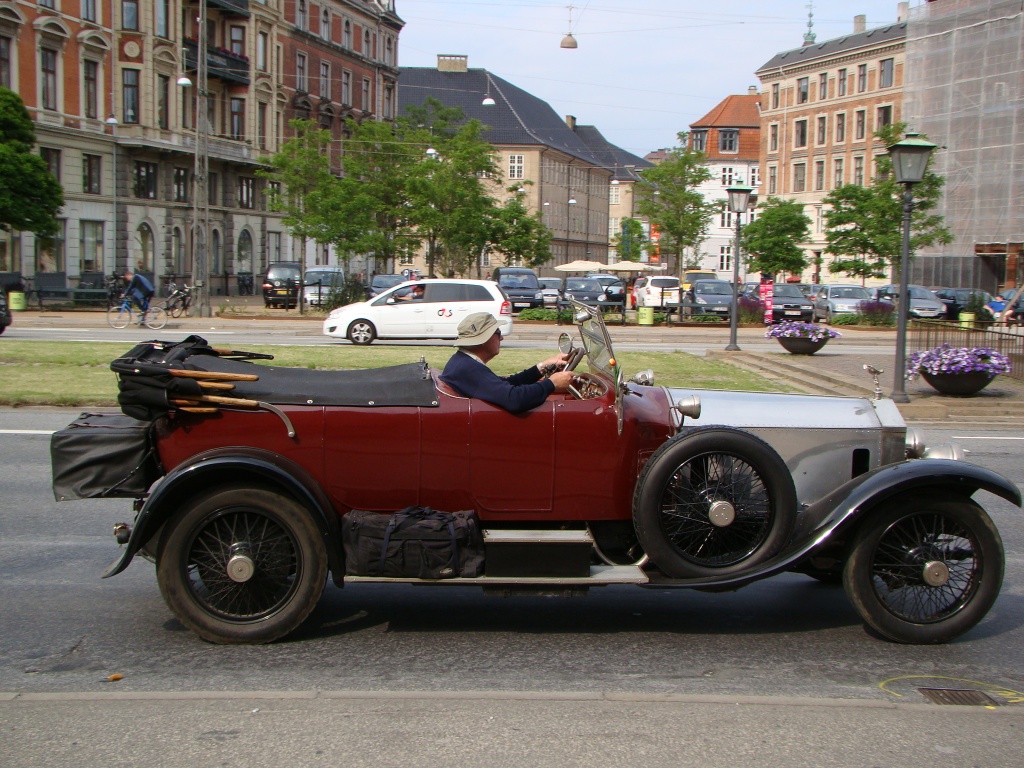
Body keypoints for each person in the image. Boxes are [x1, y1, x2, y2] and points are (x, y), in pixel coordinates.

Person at [441, 312, 574, 414]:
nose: (502, 338)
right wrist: (552, 383)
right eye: (498, 333)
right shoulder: (469, 369)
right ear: (484, 339)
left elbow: (505, 384)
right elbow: (515, 399)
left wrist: (542, 367)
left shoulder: (462, 362)